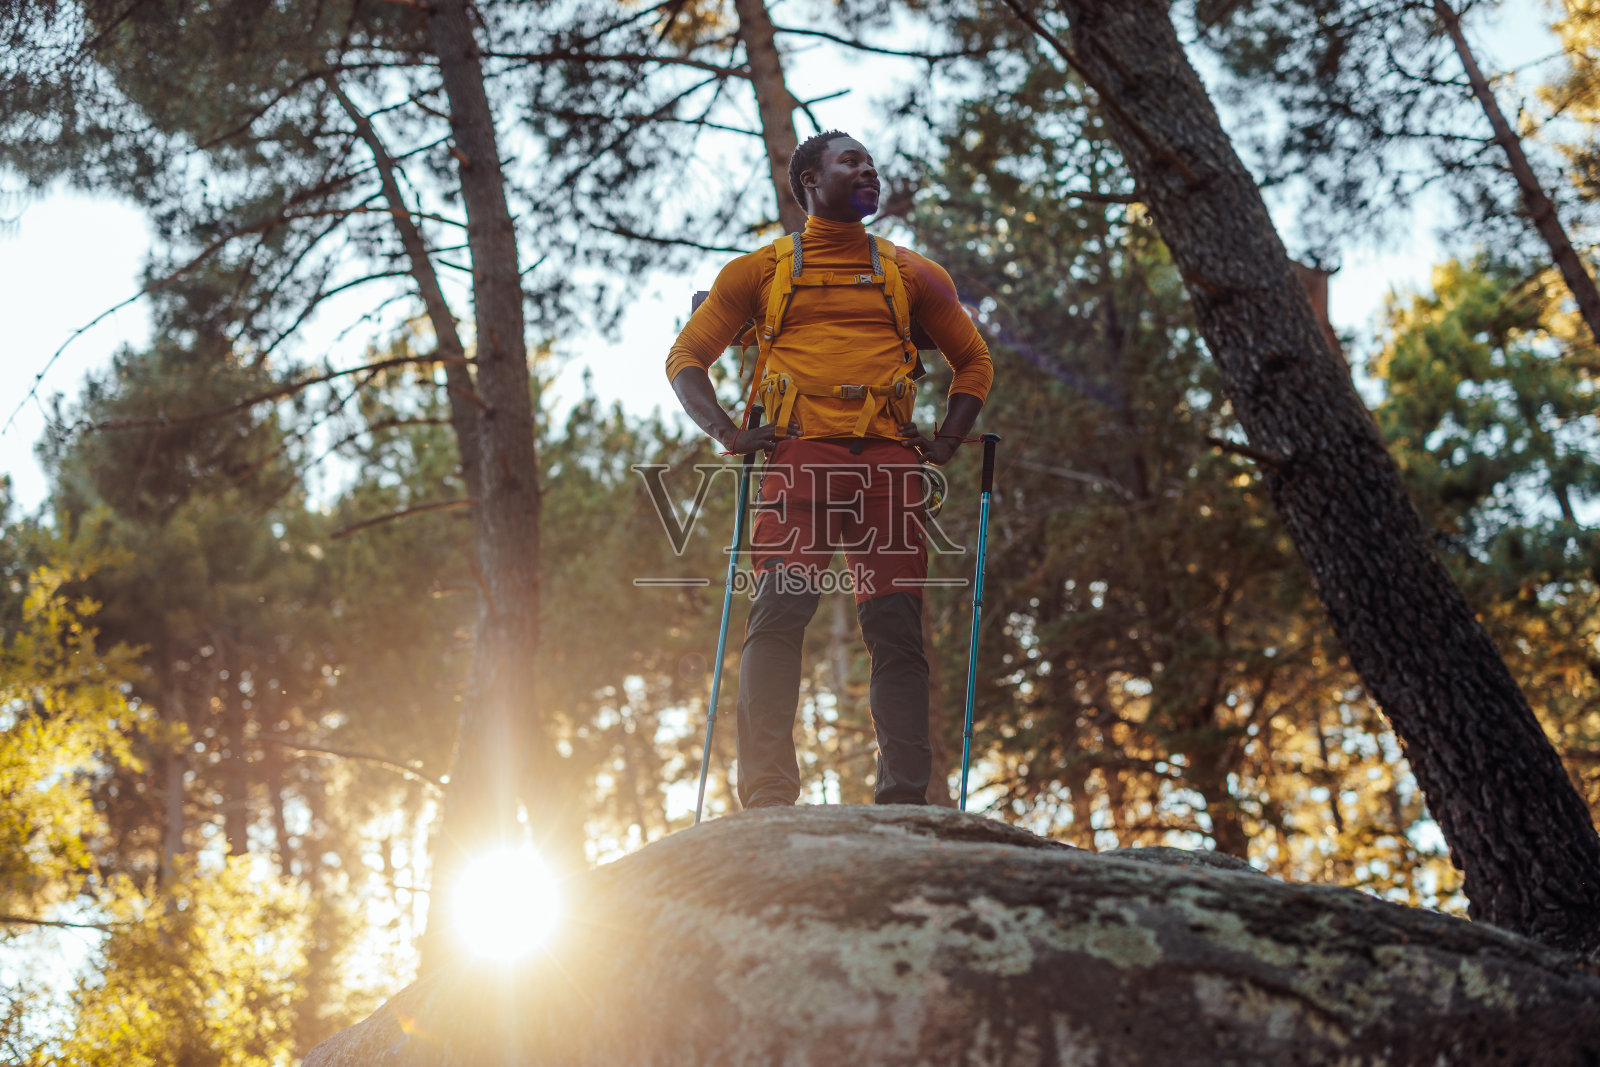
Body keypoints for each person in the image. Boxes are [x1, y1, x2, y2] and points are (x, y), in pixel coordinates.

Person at [666, 130, 994, 808]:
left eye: (872, 161)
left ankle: (904, 800)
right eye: (852, 160)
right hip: (799, 464)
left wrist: (947, 442)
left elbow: (975, 361)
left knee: (896, 631)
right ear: (810, 180)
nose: (868, 168)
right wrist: (729, 432)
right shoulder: (758, 271)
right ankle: (767, 797)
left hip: (890, 471)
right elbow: (685, 358)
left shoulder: (914, 273)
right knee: (778, 616)